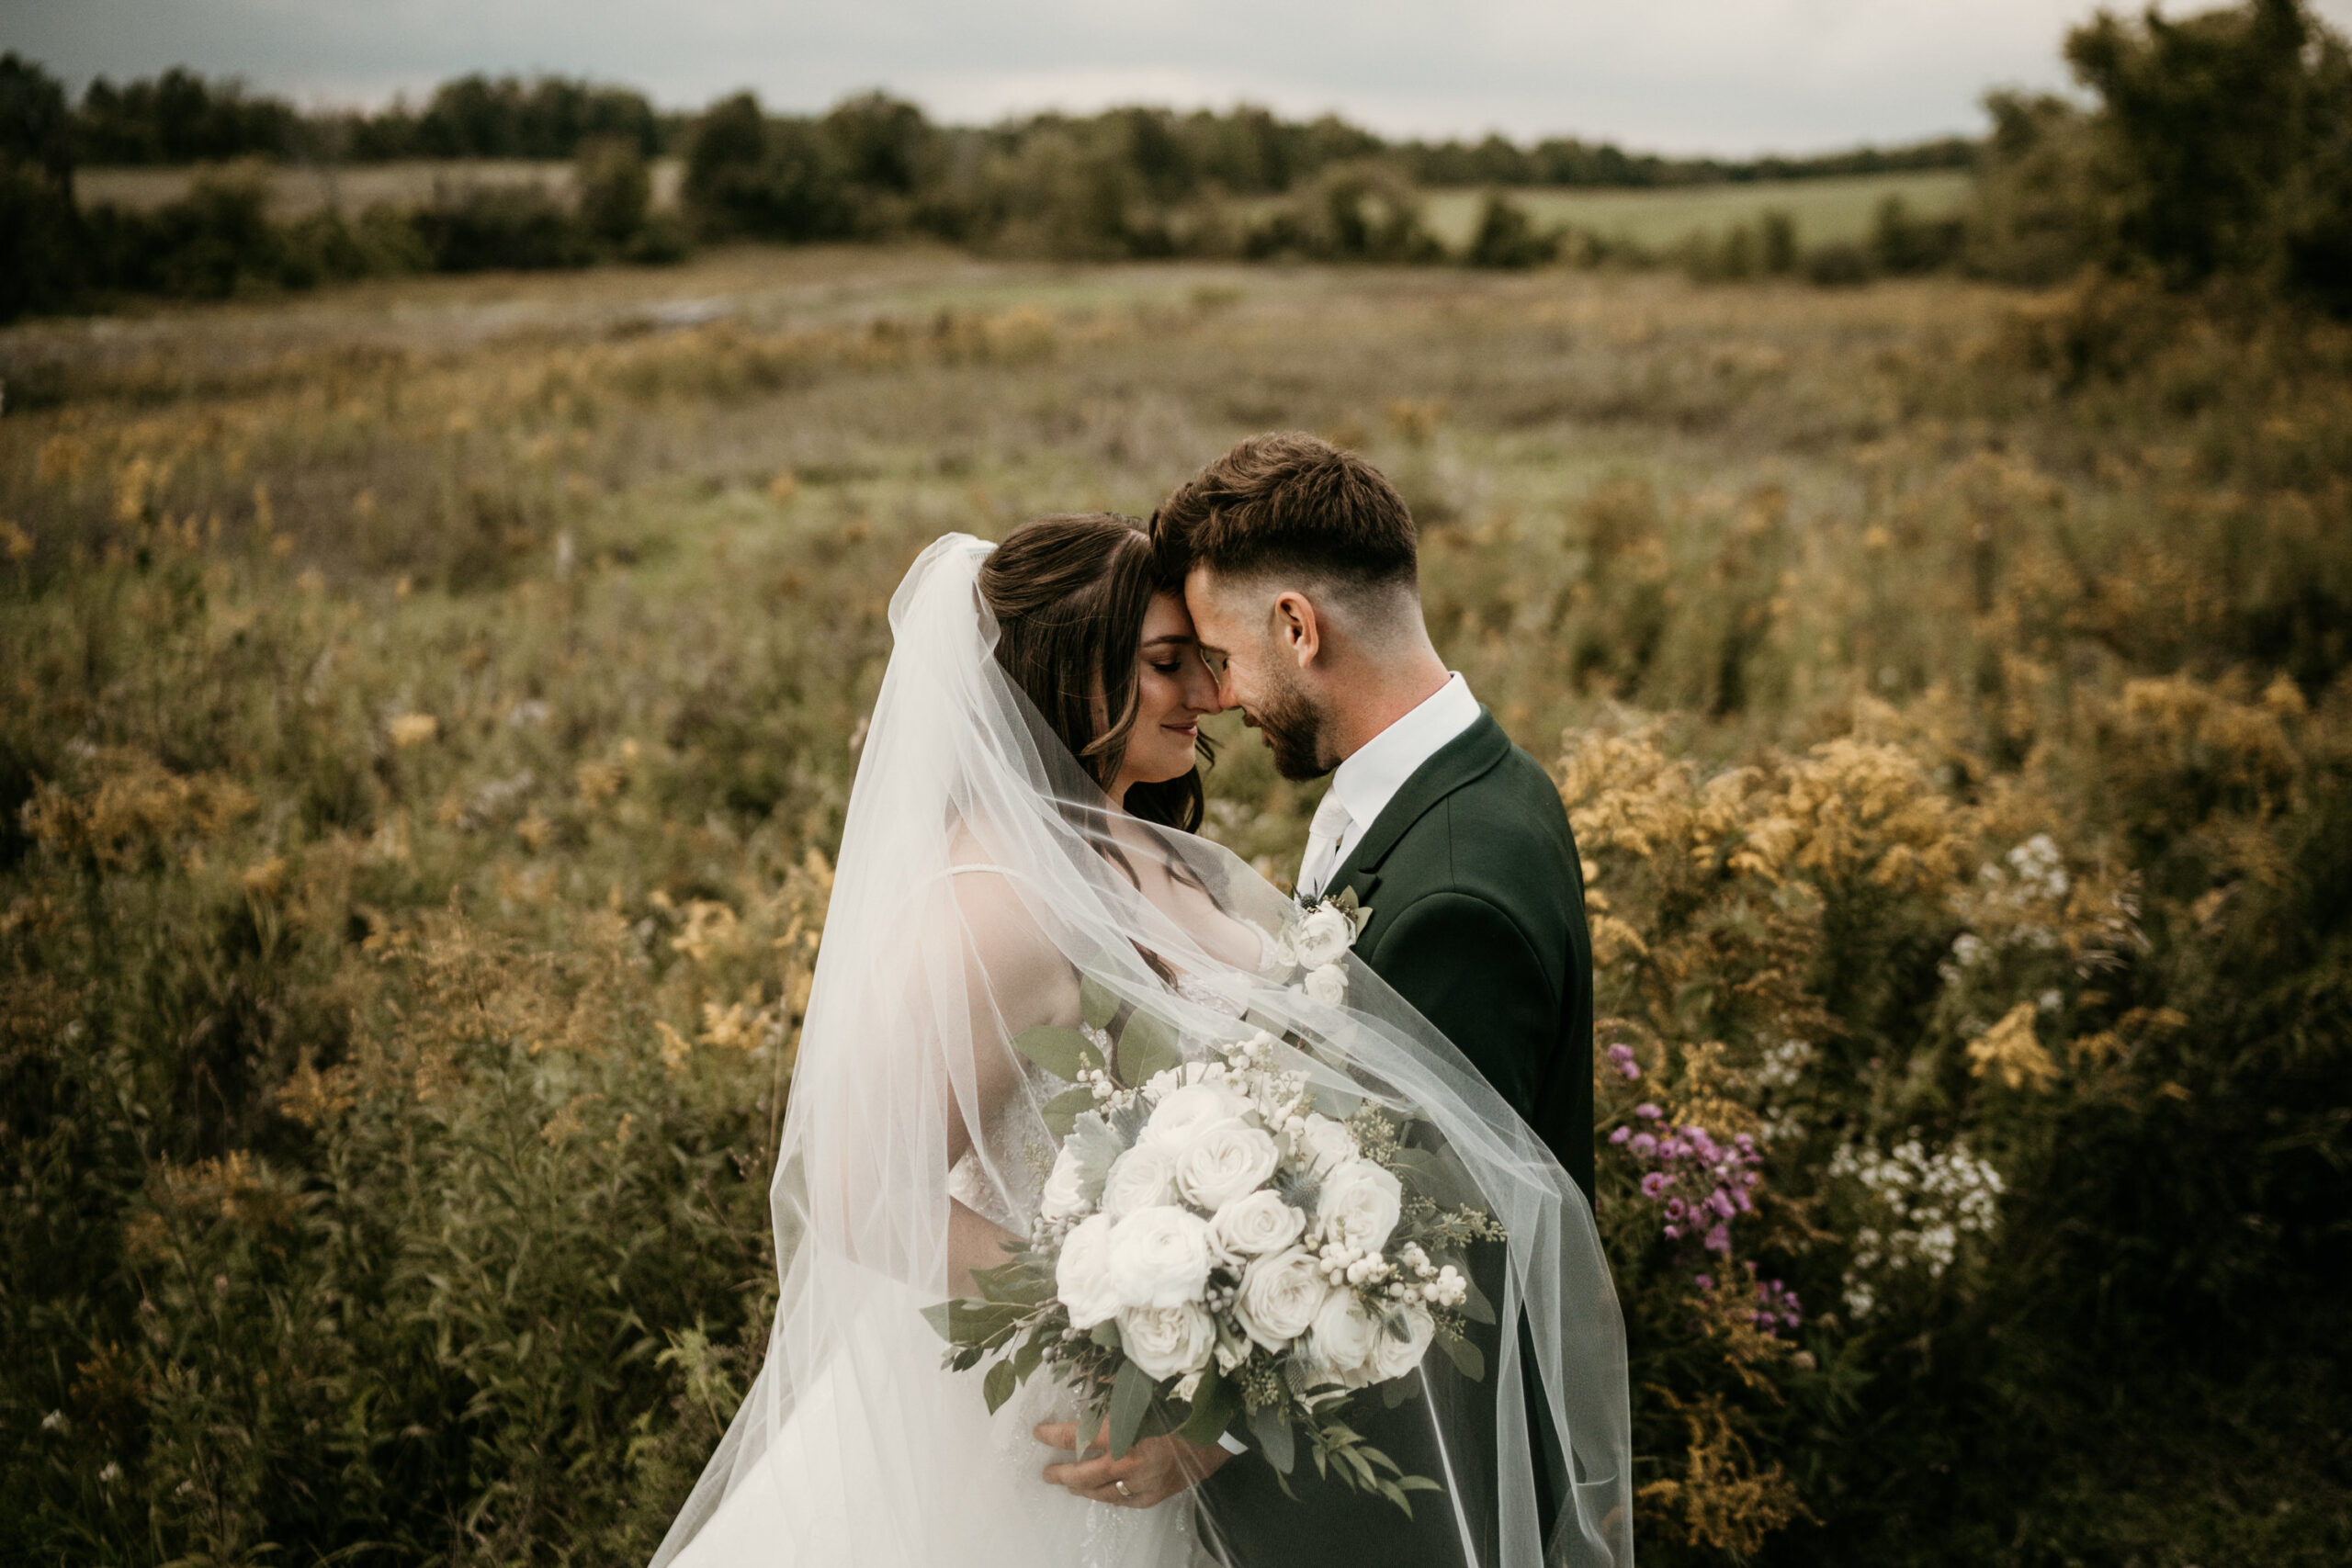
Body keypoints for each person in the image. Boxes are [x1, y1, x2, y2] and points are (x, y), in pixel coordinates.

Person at [648, 513, 1627, 1568]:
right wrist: (1110, 1321)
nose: (1208, 697)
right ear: (1070, 679)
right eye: (1167, 666)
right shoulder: (997, 906)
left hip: (1194, 1396)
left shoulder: (1146, 849)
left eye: (1203, 662)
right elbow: (857, 1183)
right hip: (1065, 1427)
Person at [1144, 433, 1599, 1567]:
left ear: (1298, 627)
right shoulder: (1462, 781)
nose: (1213, 696)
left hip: (1410, 1492)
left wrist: (1213, 1427)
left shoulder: (1454, 895)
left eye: (1218, 656)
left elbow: (1430, 1261)